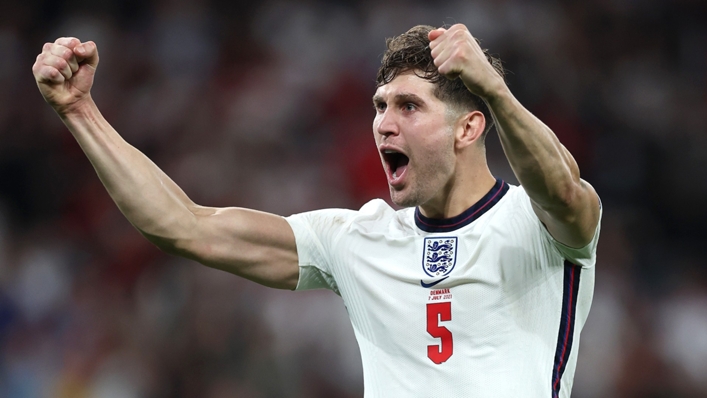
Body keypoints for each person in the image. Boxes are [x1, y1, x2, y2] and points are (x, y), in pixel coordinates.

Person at [33, 23, 601, 397]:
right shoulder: (356, 239)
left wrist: (495, 91)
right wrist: (80, 111)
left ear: (469, 127)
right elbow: (185, 227)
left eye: (409, 105)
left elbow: (565, 190)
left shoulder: (539, 226)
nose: (383, 123)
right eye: (380, 106)